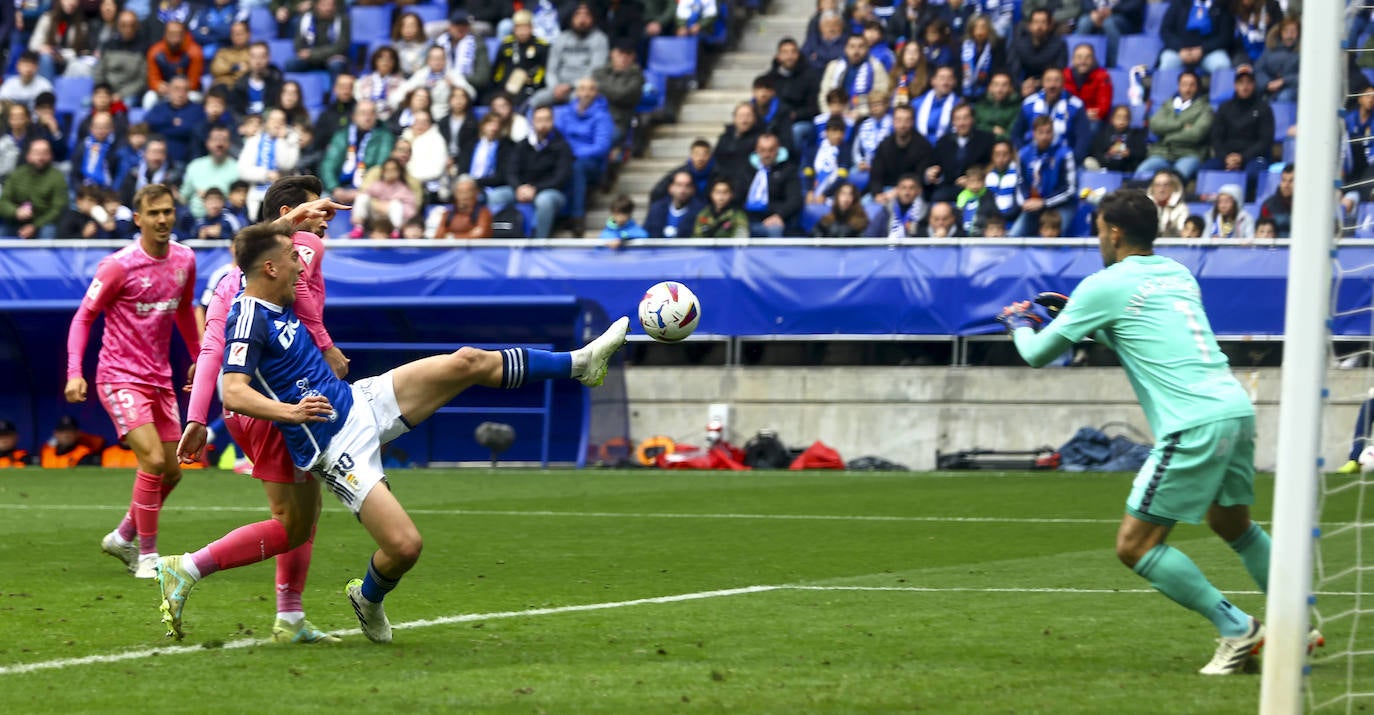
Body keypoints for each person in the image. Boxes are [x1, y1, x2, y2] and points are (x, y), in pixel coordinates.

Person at [154, 222, 631, 643]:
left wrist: (293, 222)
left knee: (466, 361)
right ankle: (367, 597)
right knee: (404, 547)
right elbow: (232, 391)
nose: (302, 264)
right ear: (271, 269)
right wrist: (289, 412)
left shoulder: (276, 295)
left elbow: (259, 246)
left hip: (361, 400)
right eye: (290, 257)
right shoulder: (247, 317)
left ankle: (580, 363)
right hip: (337, 448)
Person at [996, 188, 1272, 675]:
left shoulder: (1104, 284)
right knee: (1234, 524)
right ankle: (1298, 624)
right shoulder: (1178, 273)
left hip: (1193, 422)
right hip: (1233, 407)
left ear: (1115, 232)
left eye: (1099, 229)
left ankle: (1237, 629)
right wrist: (1078, 319)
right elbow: (1137, 329)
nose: (1097, 238)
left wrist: (1019, 323)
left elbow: (1038, 353)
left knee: (1135, 545)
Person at [171, 177, 349, 644]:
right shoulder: (300, 252)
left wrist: (195, 418)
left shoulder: (231, 280)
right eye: (315, 210)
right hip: (271, 404)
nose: (323, 222)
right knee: (290, 523)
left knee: (303, 516)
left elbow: (212, 349)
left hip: (261, 404)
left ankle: (290, 618)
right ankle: (185, 568)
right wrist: (327, 347)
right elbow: (307, 313)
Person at [66, 183, 199, 579]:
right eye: (153, 213)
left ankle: (124, 536)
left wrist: (199, 357)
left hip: (159, 377)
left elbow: (184, 310)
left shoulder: (185, 260)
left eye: (167, 212)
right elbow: (83, 317)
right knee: (154, 460)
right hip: (119, 376)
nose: (162, 219)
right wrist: (75, 372)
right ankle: (148, 556)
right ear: (138, 219)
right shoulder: (117, 266)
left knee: (173, 470)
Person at [1200, 66, 1274, 200]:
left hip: (1253, 157)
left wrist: (1242, 157)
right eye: (1241, 83)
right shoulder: (1225, 108)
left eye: (1248, 82)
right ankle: (1212, 202)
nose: (1244, 87)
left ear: (1253, 84)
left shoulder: (1263, 108)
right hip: (1226, 158)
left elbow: (1265, 140)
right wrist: (1225, 157)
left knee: (1253, 173)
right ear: (1235, 85)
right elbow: (1216, 138)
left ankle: (1244, 202)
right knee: (1206, 170)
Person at [1132, 70, 1212, 183]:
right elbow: (1155, 125)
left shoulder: (1205, 108)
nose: (1188, 88)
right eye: (1184, 84)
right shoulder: (1167, 104)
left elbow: (1196, 134)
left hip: (1189, 153)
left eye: (1192, 85)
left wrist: (1167, 135)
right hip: (1162, 152)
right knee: (1141, 173)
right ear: (1179, 86)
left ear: (1197, 87)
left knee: (1175, 180)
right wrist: (1181, 125)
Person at [1012, 116, 1077, 237]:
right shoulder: (1024, 154)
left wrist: (1044, 202)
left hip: (1061, 205)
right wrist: (1024, 203)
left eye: (1048, 132)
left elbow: (1070, 189)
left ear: (1053, 133)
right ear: (1034, 133)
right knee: (1013, 236)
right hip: (1034, 205)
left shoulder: (1065, 154)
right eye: (1040, 132)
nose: (1044, 137)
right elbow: (1020, 183)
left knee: (1054, 235)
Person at [0, 139, 69, 239]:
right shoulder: (17, 174)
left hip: (44, 223)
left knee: (49, 232)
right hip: (16, 221)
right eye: (36, 153)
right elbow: (3, 202)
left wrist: (35, 226)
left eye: (45, 153)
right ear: (28, 156)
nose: (40, 157)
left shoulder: (57, 177)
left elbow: (58, 209)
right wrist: (16, 212)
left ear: (51, 156)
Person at [644, 170, 703, 239]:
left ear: (693, 189)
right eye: (679, 185)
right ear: (670, 188)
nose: (683, 190)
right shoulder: (656, 208)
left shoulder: (700, 211)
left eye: (687, 186)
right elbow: (646, 233)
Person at [39, 415, 106, 467]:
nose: (66, 435)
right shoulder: (46, 452)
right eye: (62, 431)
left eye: (70, 431)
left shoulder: (83, 453)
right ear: (56, 434)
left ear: (78, 433)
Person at [1259, 165, 1294, 238]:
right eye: (1283, 180)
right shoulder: (1268, 205)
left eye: (1291, 181)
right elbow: (1262, 232)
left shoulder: (1308, 206)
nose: (1286, 185)